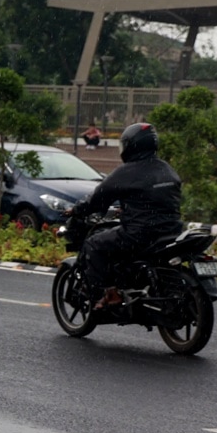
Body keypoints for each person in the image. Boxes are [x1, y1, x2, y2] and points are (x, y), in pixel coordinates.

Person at [67, 123, 184, 311]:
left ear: (131, 145)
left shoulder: (127, 172)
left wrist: (77, 210)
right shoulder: (167, 169)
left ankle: (107, 295)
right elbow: (157, 200)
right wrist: (130, 208)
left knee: (94, 244)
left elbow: (97, 199)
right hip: (172, 232)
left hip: (139, 235)